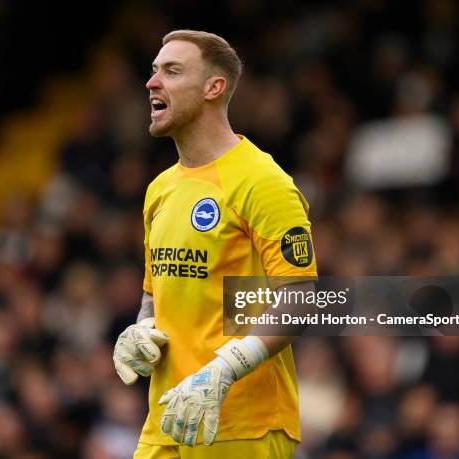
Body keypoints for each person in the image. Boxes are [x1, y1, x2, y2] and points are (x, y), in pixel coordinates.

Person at [112, 30, 317, 459]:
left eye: (172, 71)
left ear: (213, 87)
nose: (152, 82)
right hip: (166, 420)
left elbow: (302, 298)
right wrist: (141, 328)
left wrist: (226, 369)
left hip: (244, 423)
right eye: (153, 71)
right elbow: (155, 291)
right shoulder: (159, 189)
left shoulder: (263, 181)